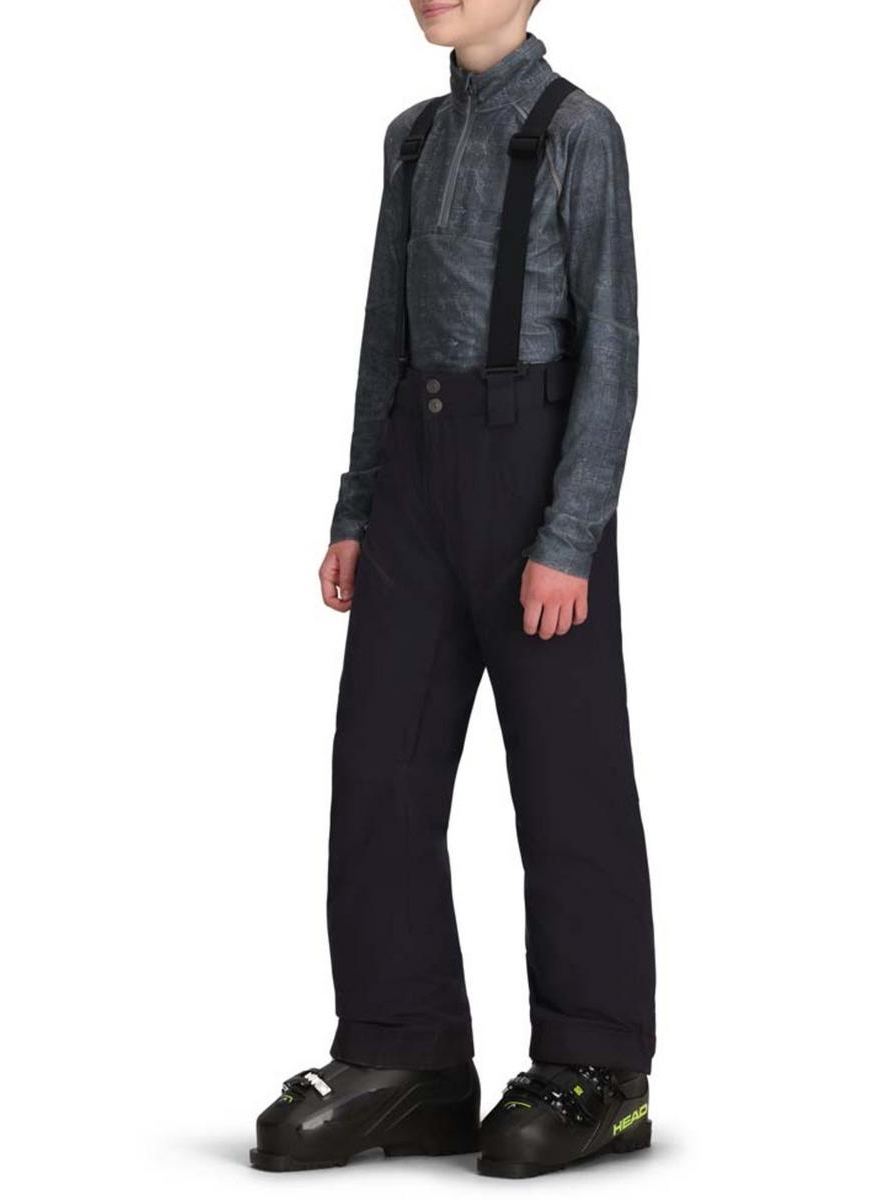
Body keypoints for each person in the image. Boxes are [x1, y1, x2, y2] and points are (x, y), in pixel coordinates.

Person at [251, 0, 655, 1178]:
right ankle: (405, 1053)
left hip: (534, 476)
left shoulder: (579, 130)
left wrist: (570, 535)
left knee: (568, 778)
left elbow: (613, 346)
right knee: (379, 769)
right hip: (417, 480)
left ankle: (598, 1066)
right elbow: (385, 332)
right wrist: (359, 507)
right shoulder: (413, 137)